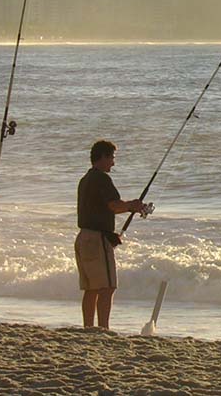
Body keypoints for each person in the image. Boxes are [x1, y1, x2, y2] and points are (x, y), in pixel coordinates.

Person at [75, 139, 150, 329]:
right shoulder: (101, 179)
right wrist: (132, 206)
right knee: (107, 287)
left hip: (84, 237)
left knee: (91, 289)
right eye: (112, 158)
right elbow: (114, 206)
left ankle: (88, 327)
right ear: (102, 157)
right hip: (96, 239)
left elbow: (100, 210)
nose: (113, 163)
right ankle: (103, 328)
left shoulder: (85, 179)